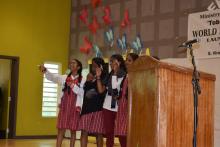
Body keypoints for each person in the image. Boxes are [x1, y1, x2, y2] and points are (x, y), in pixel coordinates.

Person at [39, 59, 84, 147]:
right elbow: (53, 77)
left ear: (78, 67)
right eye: (70, 63)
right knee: (60, 130)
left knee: (73, 131)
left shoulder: (82, 79)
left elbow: (81, 93)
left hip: (74, 108)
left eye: (73, 63)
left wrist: (72, 85)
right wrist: (45, 70)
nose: (71, 64)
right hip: (64, 106)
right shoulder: (64, 77)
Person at [96, 54, 127, 147]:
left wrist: (115, 72)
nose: (111, 63)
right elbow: (101, 90)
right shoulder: (110, 75)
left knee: (121, 132)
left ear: (119, 62)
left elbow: (114, 88)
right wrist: (98, 77)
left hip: (120, 106)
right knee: (109, 132)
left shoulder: (125, 75)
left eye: (112, 61)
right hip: (107, 106)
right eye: (110, 62)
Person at [78, 57, 108, 147]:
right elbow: (84, 91)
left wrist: (98, 77)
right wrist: (87, 81)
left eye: (95, 66)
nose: (93, 68)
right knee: (84, 131)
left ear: (101, 66)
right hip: (86, 109)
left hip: (98, 109)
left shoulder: (105, 77)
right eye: (92, 66)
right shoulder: (89, 76)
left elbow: (100, 91)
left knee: (98, 133)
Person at [114, 53, 139, 147]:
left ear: (136, 62)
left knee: (128, 133)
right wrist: (119, 96)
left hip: (131, 107)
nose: (126, 62)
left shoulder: (137, 75)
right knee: (121, 133)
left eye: (129, 60)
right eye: (126, 60)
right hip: (122, 106)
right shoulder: (126, 75)